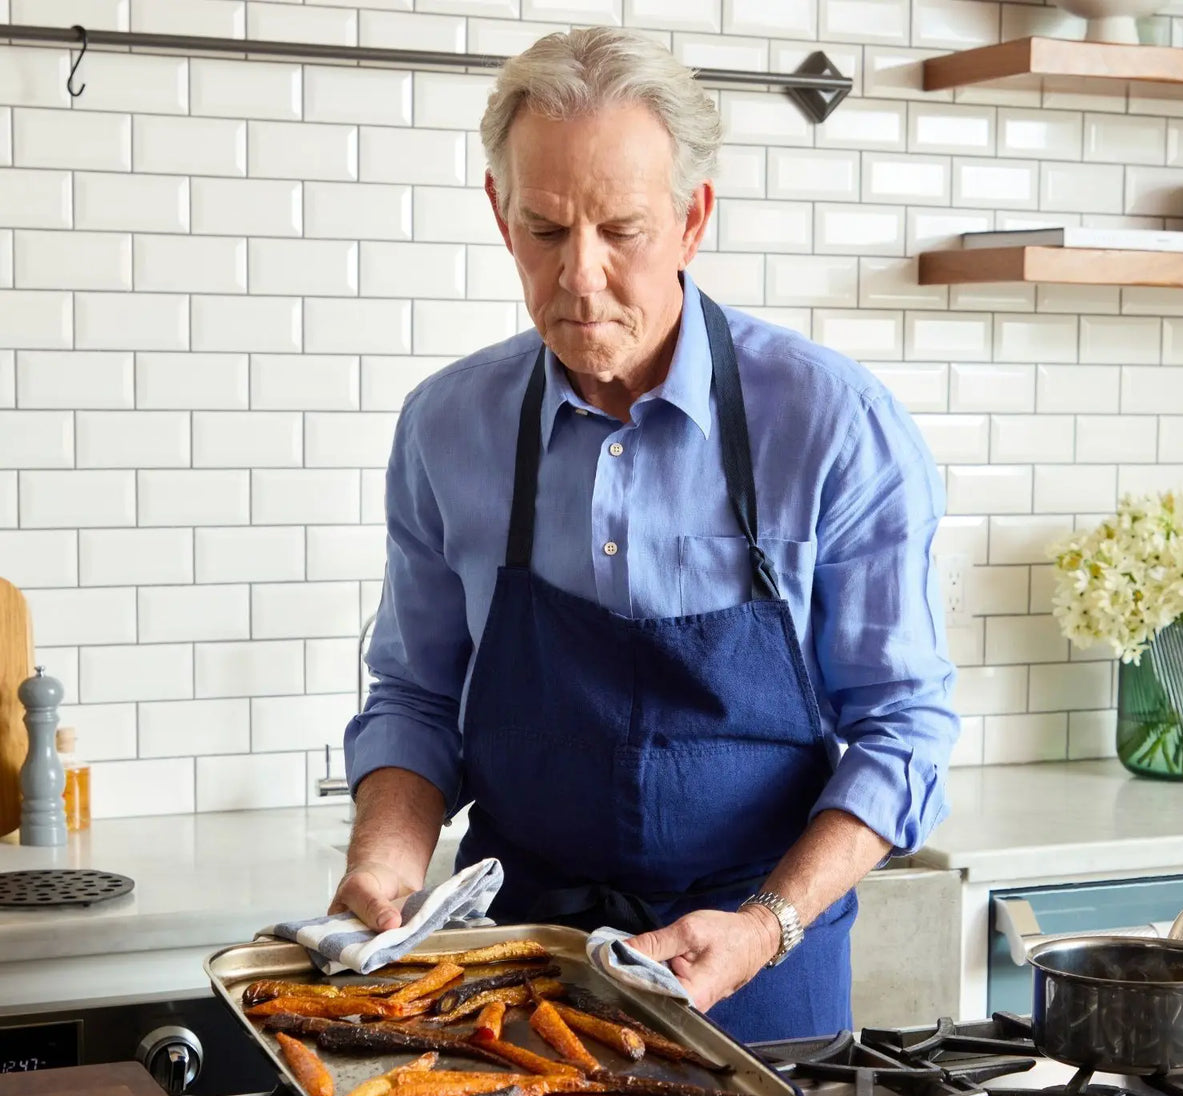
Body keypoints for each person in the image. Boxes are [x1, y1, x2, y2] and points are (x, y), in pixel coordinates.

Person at [332, 27, 959, 1044]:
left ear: (691, 219)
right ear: (500, 214)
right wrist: (388, 861)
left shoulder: (835, 425)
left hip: (760, 969)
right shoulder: (447, 428)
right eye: (544, 230)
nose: (579, 278)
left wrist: (767, 925)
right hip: (519, 970)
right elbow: (417, 696)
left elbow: (905, 731)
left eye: (620, 230)